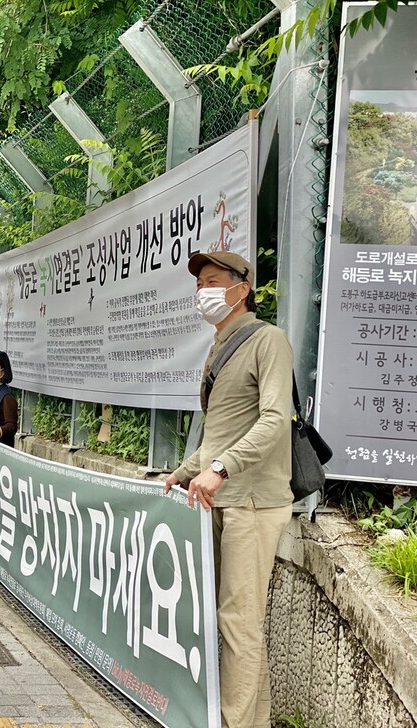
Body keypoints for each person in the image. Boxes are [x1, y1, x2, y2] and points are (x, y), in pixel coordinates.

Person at [163, 250, 293, 728]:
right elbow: (219, 432)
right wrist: (182, 471)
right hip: (219, 497)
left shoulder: (268, 340)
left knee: (239, 621)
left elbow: (276, 419)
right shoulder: (218, 347)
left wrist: (220, 467)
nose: (204, 292)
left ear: (242, 286)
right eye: (199, 285)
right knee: (232, 622)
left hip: (253, 503)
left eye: (213, 281)